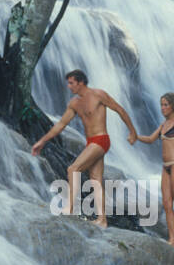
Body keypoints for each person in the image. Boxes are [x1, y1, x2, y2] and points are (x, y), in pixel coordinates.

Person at [31, 69, 139, 228]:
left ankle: (70, 208)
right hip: (91, 142)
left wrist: (132, 131)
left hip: (101, 139)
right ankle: (102, 220)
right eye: (68, 83)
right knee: (96, 180)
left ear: (81, 82)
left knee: (73, 169)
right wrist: (42, 141)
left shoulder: (99, 95)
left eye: (71, 83)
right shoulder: (74, 103)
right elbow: (60, 125)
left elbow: (120, 110)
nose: (69, 86)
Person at [138, 91, 174, 254]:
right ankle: (172, 240)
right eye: (161, 105)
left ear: (173, 105)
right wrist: (135, 136)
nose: (162, 108)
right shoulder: (163, 125)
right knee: (167, 204)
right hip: (165, 166)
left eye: (165, 105)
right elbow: (150, 139)